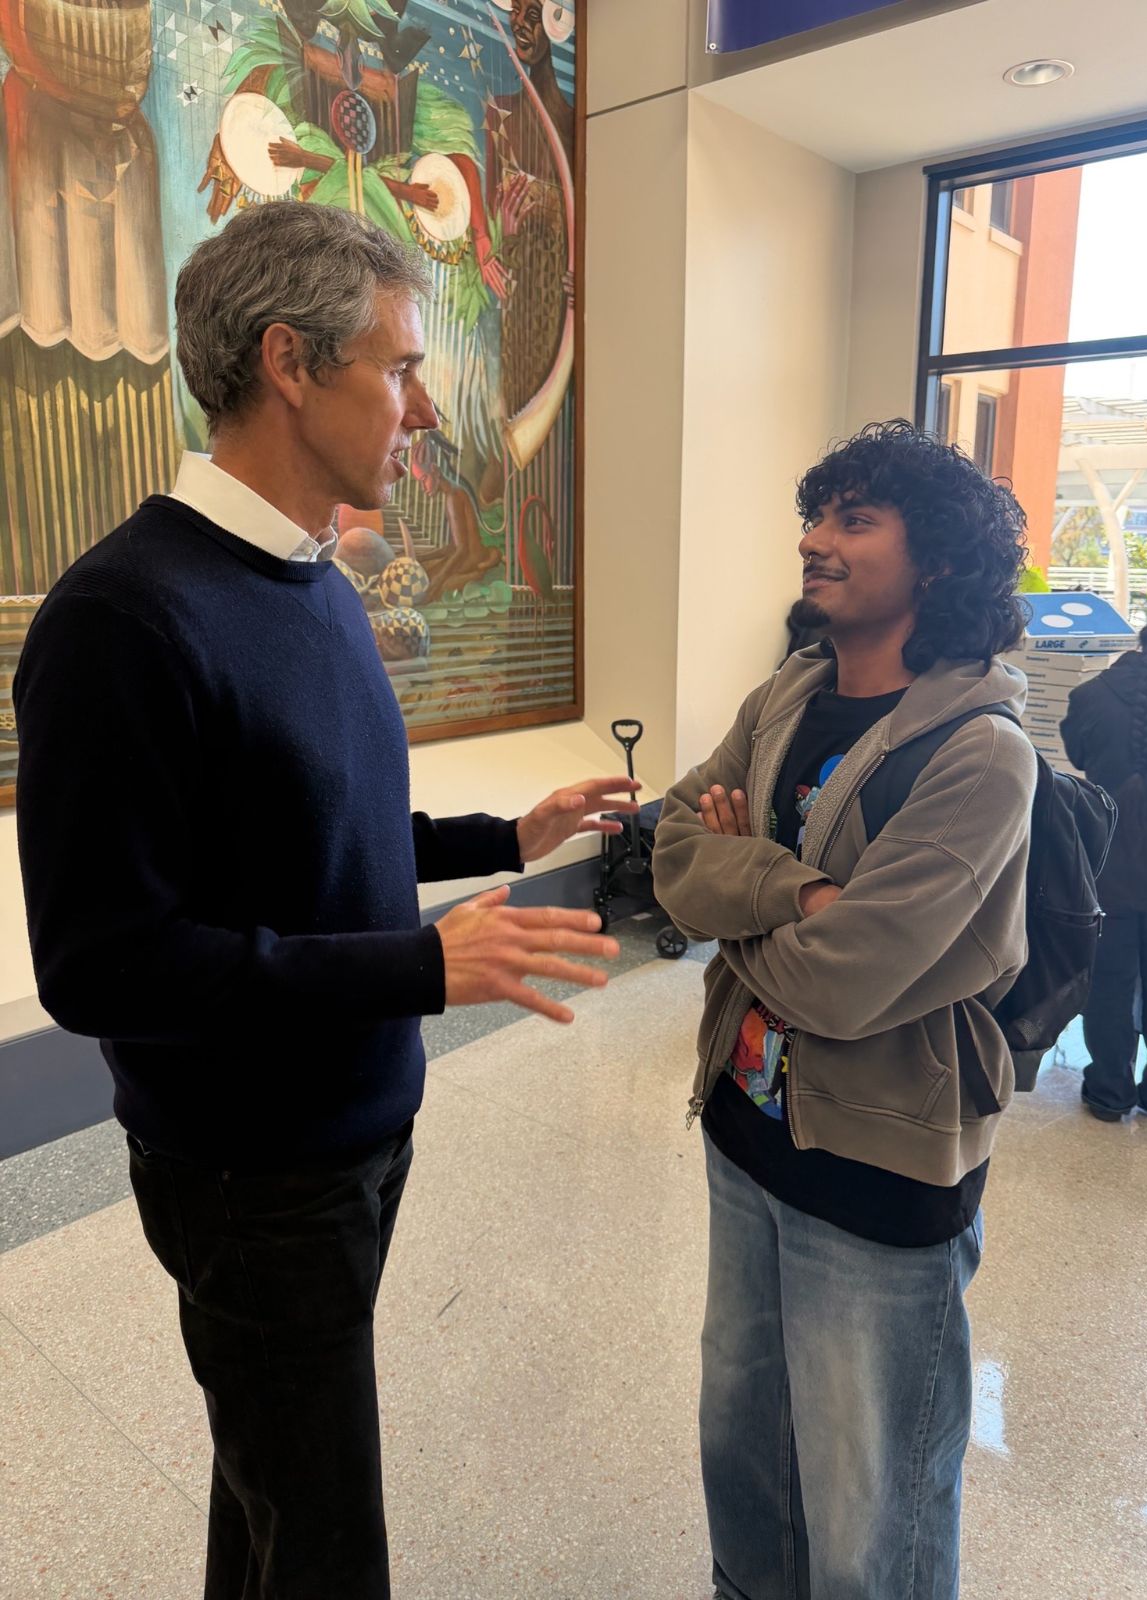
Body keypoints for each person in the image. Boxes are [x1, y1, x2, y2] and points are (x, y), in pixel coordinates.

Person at [13, 200, 637, 1600]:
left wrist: (501, 832)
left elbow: (315, 826)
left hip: (352, 1129)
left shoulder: (314, 579)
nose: (423, 410)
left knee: (274, 1496)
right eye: (402, 367)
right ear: (290, 362)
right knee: (331, 1544)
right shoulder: (125, 617)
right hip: (250, 1169)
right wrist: (416, 971)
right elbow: (103, 966)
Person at [654, 421, 1037, 1600]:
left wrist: (746, 884)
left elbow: (840, 979)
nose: (814, 544)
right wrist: (797, 887)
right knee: (745, 1440)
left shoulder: (981, 751)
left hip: (879, 1170)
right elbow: (671, 851)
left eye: (852, 521)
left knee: (875, 1489)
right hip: (745, 1126)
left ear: (937, 563)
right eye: (816, 518)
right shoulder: (789, 691)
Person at [1061, 598, 1147, 1124]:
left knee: (1108, 983)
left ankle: (1107, 1091)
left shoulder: (1091, 695)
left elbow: (1079, 758)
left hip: (1105, 869)